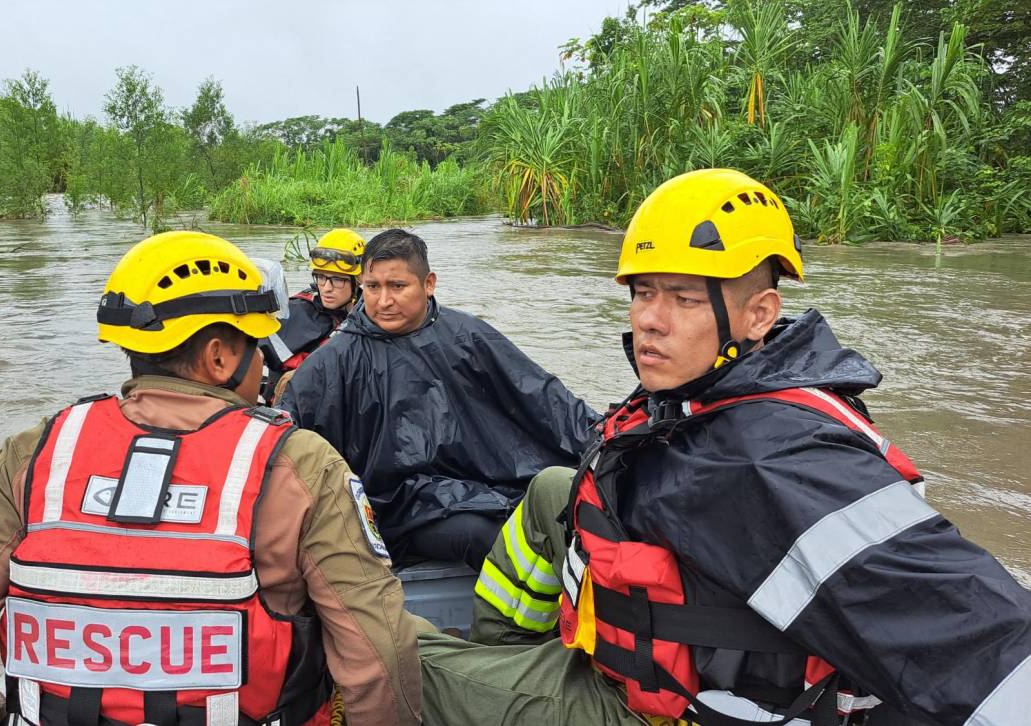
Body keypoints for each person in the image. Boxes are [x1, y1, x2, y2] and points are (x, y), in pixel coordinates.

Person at [428, 168, 1031, 726]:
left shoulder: (774, 463)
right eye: (642, 292)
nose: (649, 320)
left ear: (759, 314)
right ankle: (506, 652)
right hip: (651, 642)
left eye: (684, 298)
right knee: (551, 488)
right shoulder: (713, 390)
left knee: (404, 660)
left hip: (676, 708)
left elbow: (979, 640)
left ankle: (502, 684)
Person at [0, 231, 421, 726]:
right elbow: (378, 657)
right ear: (219, 356)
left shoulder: (36, 453)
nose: (263, 364)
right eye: (256, 345)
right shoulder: (301, 464)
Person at [278, 229, 599, 570]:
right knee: (487, 534)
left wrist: (602, 443)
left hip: (480, 487)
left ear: (428, 283)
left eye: (397, 286)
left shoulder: (467, 336)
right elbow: (288, 439)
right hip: (396, 509)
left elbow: (542, 396)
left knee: (568, 505)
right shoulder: (336, 359)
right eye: (372, 287)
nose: (383, 301)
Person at [261, 228, 364, 404]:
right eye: (320, 277)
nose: (326, 287)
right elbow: (258, 356)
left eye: (338, 280)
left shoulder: (371, 313)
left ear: (358, 280)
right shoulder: (297, 312)